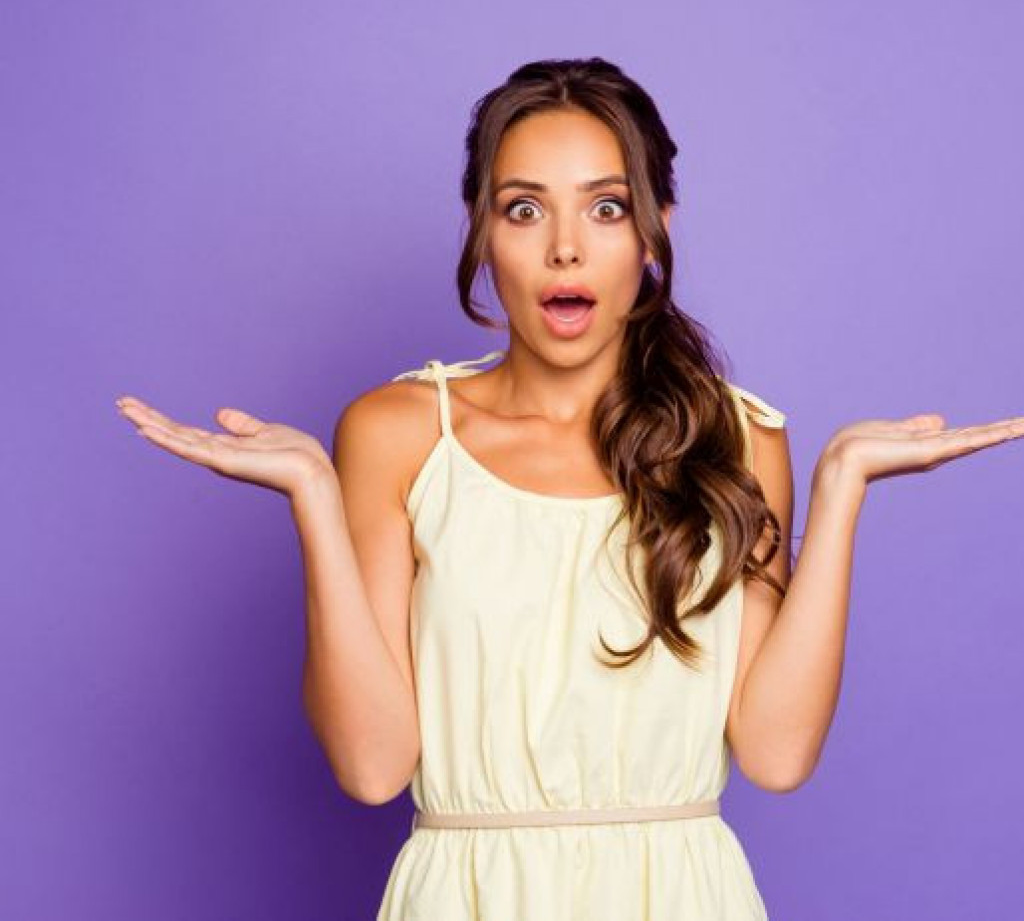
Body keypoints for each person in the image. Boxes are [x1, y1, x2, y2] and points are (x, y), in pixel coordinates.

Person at [114, 57, 1024, 920]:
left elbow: (777, 754)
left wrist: (841, 486)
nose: (564, 249)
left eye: (606, 207)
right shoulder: (396, 434)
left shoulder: (737, 438)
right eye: (524, 209)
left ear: (657, 227)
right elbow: (372, 766)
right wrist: (314, 497)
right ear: (480, 229)